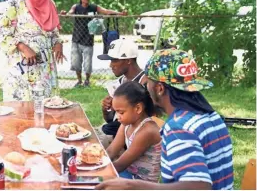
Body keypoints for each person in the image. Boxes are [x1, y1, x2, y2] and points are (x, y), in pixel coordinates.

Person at [97, 49, 233, 190]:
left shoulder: (179, 128)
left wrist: (132, 185)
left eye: (148, 82)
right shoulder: (212, 117)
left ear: (159, 88)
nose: (146, 88)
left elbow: (199, 186)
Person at [0, 0, 65, 101]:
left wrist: (58, 43)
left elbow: (53, 31)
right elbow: (2, 32)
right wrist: (22, 47)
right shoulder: (15, 3)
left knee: (43, 108)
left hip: (44, 68)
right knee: (20, 111)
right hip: (21, 66)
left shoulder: (50, 4)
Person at [60, 0, 127, 87]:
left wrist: (120, 13)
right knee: (76, 62)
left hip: (88, 40)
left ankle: (87, 81)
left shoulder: (93, 7)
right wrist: (65, 14)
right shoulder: (76, 7)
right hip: (76, 39)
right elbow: (70, 13)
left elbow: (106, 11)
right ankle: (79, 81)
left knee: (87, 64)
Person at [94, 39, 148, 148]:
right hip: (118, 134)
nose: (110, 65)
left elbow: (148, 121)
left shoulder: (145, 83)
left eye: (114, 60)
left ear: (128, 60)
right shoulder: (119, 82)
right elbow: (111, 120)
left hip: (135, 141)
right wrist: (106, 109)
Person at [107, 81, 161, 182]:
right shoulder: (126, 124)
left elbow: (120, 165)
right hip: (129, 174)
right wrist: (96, 162)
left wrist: (96, 172)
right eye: (116, 112)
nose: (118, 117)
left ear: (138, 108)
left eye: (121, 112)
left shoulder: (147, 131)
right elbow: (111, 151)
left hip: (143, 184)